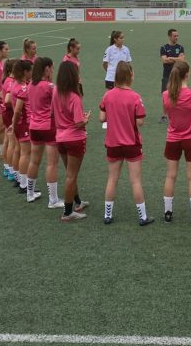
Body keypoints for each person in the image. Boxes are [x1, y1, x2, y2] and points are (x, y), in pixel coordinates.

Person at [99, 61, 153, 226]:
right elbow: (140, 121)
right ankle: (142, 217)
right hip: (131, 143)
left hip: (113, 143)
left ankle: (107, 214)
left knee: (112, 179)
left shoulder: (107, 95)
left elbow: (102, 118)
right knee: (135, 180)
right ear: (130, 76)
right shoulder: (135, 97)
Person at [161, 61, 191, 225]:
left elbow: (167, 112)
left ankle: (168, 214)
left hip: (172, 139)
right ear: (187, 74)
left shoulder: (166, 95)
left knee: (170, 176)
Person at [52, 60, 90, 221]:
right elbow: (78, 121)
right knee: (71, 176)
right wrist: (86, 119)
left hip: (60, 137)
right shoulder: (74, 97)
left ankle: (78, 202)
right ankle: (68, 212)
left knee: (70, 173)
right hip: (74, 138)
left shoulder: (55, 91)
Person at [25, 57, 64, 208]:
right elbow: (59, 104)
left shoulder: (30, 86)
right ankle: (53, 200)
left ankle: (30, 193)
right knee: (52, 164)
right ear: (46, 69)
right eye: (51, 68)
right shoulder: (49, 86)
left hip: (34, 127)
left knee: (34, 160)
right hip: (48, 127)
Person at [9, 60, 33, 193]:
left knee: (19, 151)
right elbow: (18, 110)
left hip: (19, 123)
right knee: (25, 154)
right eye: (30, 70)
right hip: (23, 123)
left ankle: (19, 180)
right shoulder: (23, 88)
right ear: (25, 72)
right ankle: (24, 185)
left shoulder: (14, 84)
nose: (32, 73)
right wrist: (14, 123)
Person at [160, 28, 186, 123]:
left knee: (179, 95)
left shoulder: (180, 47)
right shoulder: (164, 47)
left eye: (177, 36)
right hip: (167, 75)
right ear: (170, 36)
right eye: (175, 36)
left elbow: (182, 60)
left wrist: (170, 58)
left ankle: (177, 113)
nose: (176, 37)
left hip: (178, 76)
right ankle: (164, 116)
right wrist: (177, 58)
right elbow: (164, 60)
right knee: (165, 95)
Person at [1, 59, 18, 180]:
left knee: (8, 141)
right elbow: (7, 100)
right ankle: (12, 170)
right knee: (13, 143)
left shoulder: (7, 80)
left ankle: (7, 167)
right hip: (9, 114)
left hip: (6, 114)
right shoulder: (11, 82)